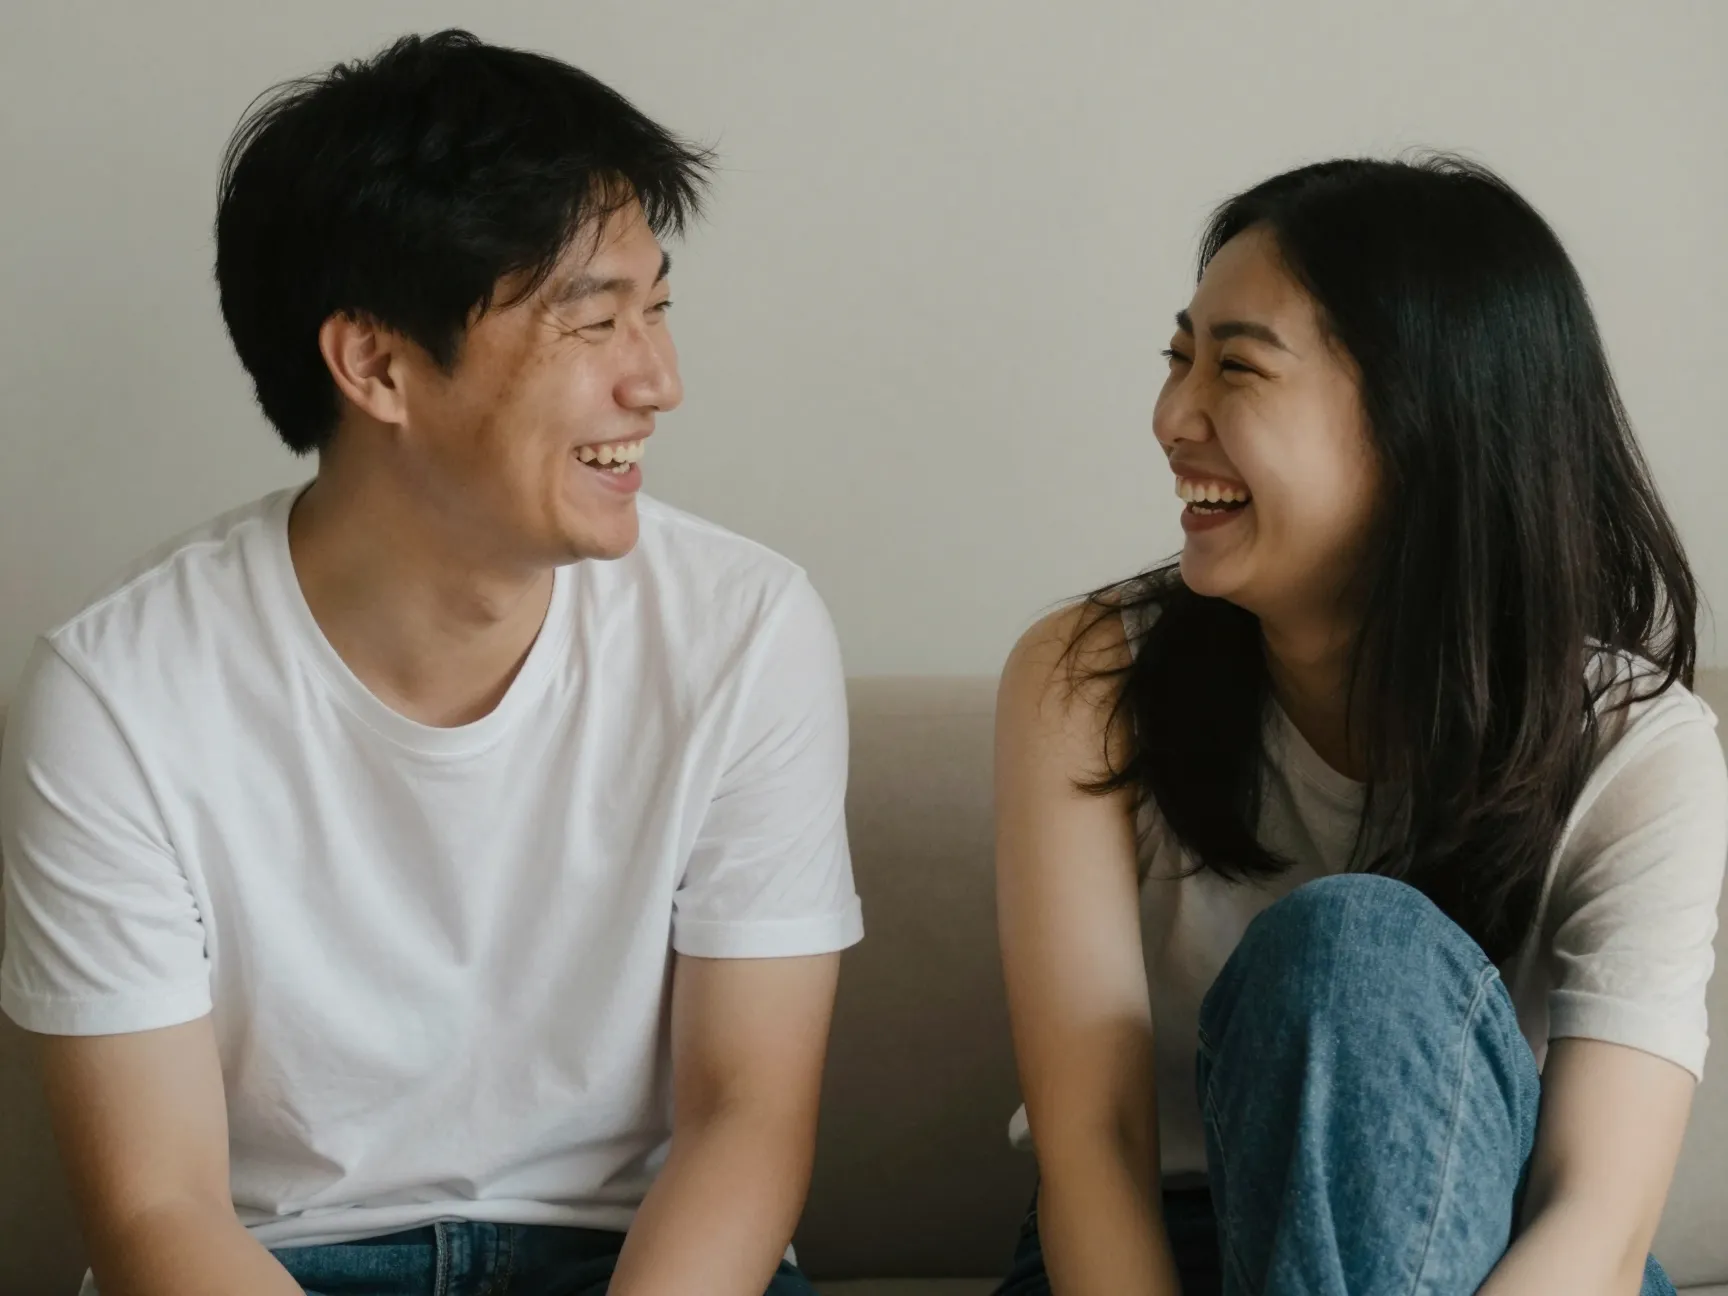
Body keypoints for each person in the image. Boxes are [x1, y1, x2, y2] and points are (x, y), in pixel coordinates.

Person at [0, 30, 862, 1296]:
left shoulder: (747, 628)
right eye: (594, 320)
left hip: (637, 1259)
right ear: (377, 365)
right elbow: (156, 1207)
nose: (659, 380)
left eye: (659, 306)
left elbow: (747, 1119)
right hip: (278, 1264)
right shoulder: (119, 692)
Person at [992, 156, 1727, 1296]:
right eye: (1178, 356)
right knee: (1340, 954)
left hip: (1500, 1256)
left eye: (1236, 367)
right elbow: (1095, 1150)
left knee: (1353, 958)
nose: (1170, 415)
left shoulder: (1638, 749)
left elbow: (1598, 1213)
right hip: (1174, 1256)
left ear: (1422, 423)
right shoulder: (1086, 681)